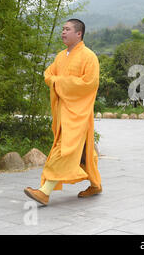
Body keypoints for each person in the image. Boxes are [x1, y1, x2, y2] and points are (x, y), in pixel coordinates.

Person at [24, 19, 102, 206]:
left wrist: (59, 81)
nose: (63, 32)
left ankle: (45, 191)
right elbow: (48, 74)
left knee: (64, 149)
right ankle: (95, 184)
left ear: (79, 34)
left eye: (67, 29)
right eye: (62, 29)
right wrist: (59, 81)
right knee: (84, 151)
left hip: (79, 113)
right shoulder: (60, 56)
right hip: (63, 111)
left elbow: (89, 83)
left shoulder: (89, 56)